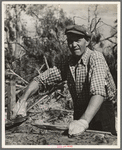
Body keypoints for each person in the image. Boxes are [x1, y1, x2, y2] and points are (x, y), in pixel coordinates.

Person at [12, 24, 117, 136]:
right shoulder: (68, 62)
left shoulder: (95, 58)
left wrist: (83, 121)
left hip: (100, 113)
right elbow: (41, 79)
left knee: (103, 143)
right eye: (70, 41)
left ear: (87, 41)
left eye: (78, 40)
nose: (73, 45)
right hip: (80, 111)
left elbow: (98, 93)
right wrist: (23, 100)